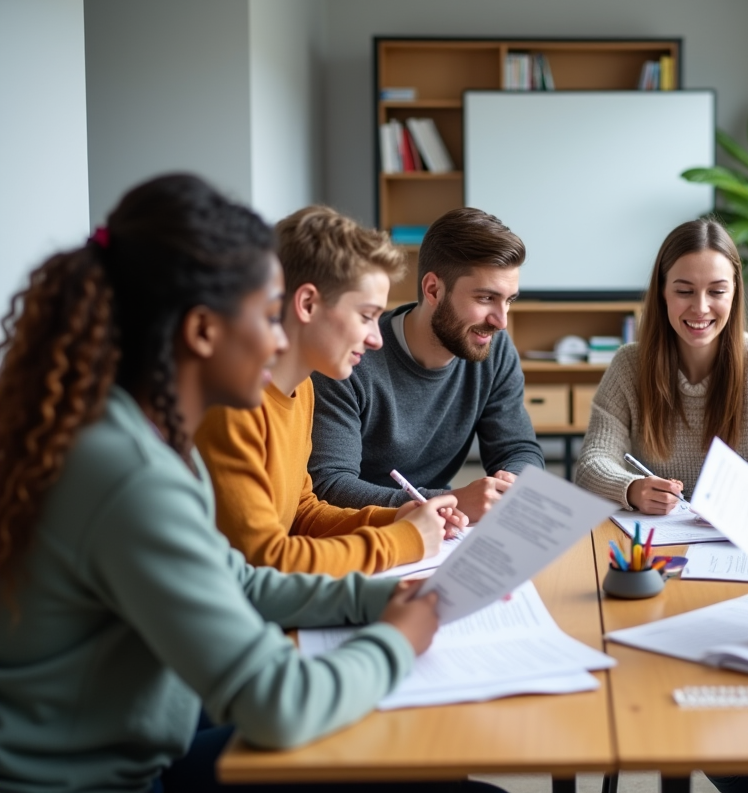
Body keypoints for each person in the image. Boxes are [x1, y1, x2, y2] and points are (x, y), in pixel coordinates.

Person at [0, 174, 486, 793]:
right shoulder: (133, 476)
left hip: (142, 742)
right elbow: (280, 703)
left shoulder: (142, 436)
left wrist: (376, 601)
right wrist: (397, 639)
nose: (280, 338)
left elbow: (239, 580)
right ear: (203, 331)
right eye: (266, 315)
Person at [195, 205, 464, 576]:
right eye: (366, 316)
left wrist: (394, 519)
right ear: (307, 304)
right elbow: (264, 560)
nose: (376, 339)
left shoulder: (302, 388)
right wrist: (403, 540)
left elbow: (301, 513)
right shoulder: (233, 407)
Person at [575, 218, 748, 512]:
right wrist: (632, 489)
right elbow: (592, 464)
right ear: (662, 292)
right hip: (654, 532)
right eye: (684, 291)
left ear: (734, 292)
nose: (700, 307)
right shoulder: (629, 364)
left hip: (739, 529)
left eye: (717, 291)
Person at [309, 207, 544, 523]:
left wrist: (509, 485)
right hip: (360, 531)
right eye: (486, 298)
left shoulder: (494, 349)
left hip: (442, 529)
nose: (501, 321)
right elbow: (329, 485)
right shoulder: (349, 359)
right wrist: (450, 502)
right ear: (433, 289)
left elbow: (518, 449)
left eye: (509, 300)